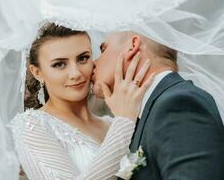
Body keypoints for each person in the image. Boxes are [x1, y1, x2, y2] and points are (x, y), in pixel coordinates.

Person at [8, 23, 154, 180]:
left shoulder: (112, 123)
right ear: (37, 72)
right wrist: (125, 122)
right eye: (59, 64)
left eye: (83, 58)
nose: (76, 73)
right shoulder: (31, 126)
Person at [92, 31, 224, 179]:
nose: (93, 63)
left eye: (103, 49)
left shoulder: (179, 104)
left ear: (133, 46)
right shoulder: (148, 112)